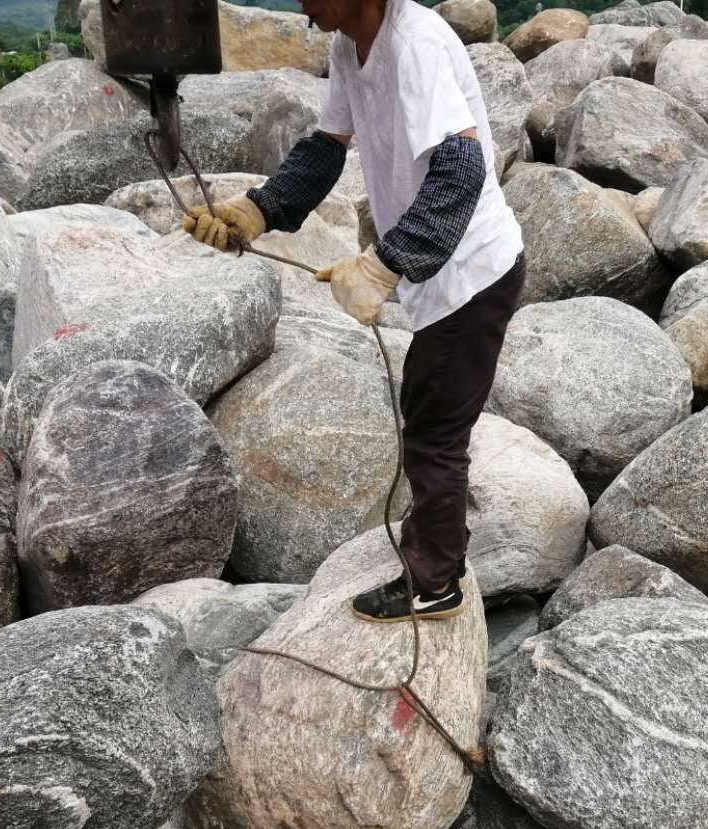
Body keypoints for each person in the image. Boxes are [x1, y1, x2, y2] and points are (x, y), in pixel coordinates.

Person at [185, 0, 525, 624]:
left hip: (473, 272)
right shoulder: (348, 43)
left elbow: (462, 167)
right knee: (429, 412)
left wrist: (381, 265)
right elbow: (326, 147)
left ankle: (437, 580)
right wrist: (258, 211)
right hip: (439, 271)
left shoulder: (414, 43)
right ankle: (441, 553)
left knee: (434, 432)